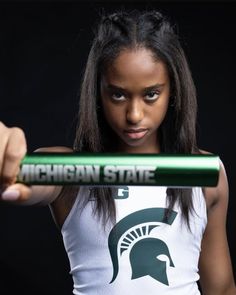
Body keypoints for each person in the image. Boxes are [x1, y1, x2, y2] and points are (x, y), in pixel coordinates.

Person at [0, 9, 235, 295]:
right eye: (118, 94)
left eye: (151, 94)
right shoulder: (68, 174)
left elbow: (221, 288)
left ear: (172, 90)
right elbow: (24, 176)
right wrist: (8, 163)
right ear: (98, 92)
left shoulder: (207, 173)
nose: (134, 115)